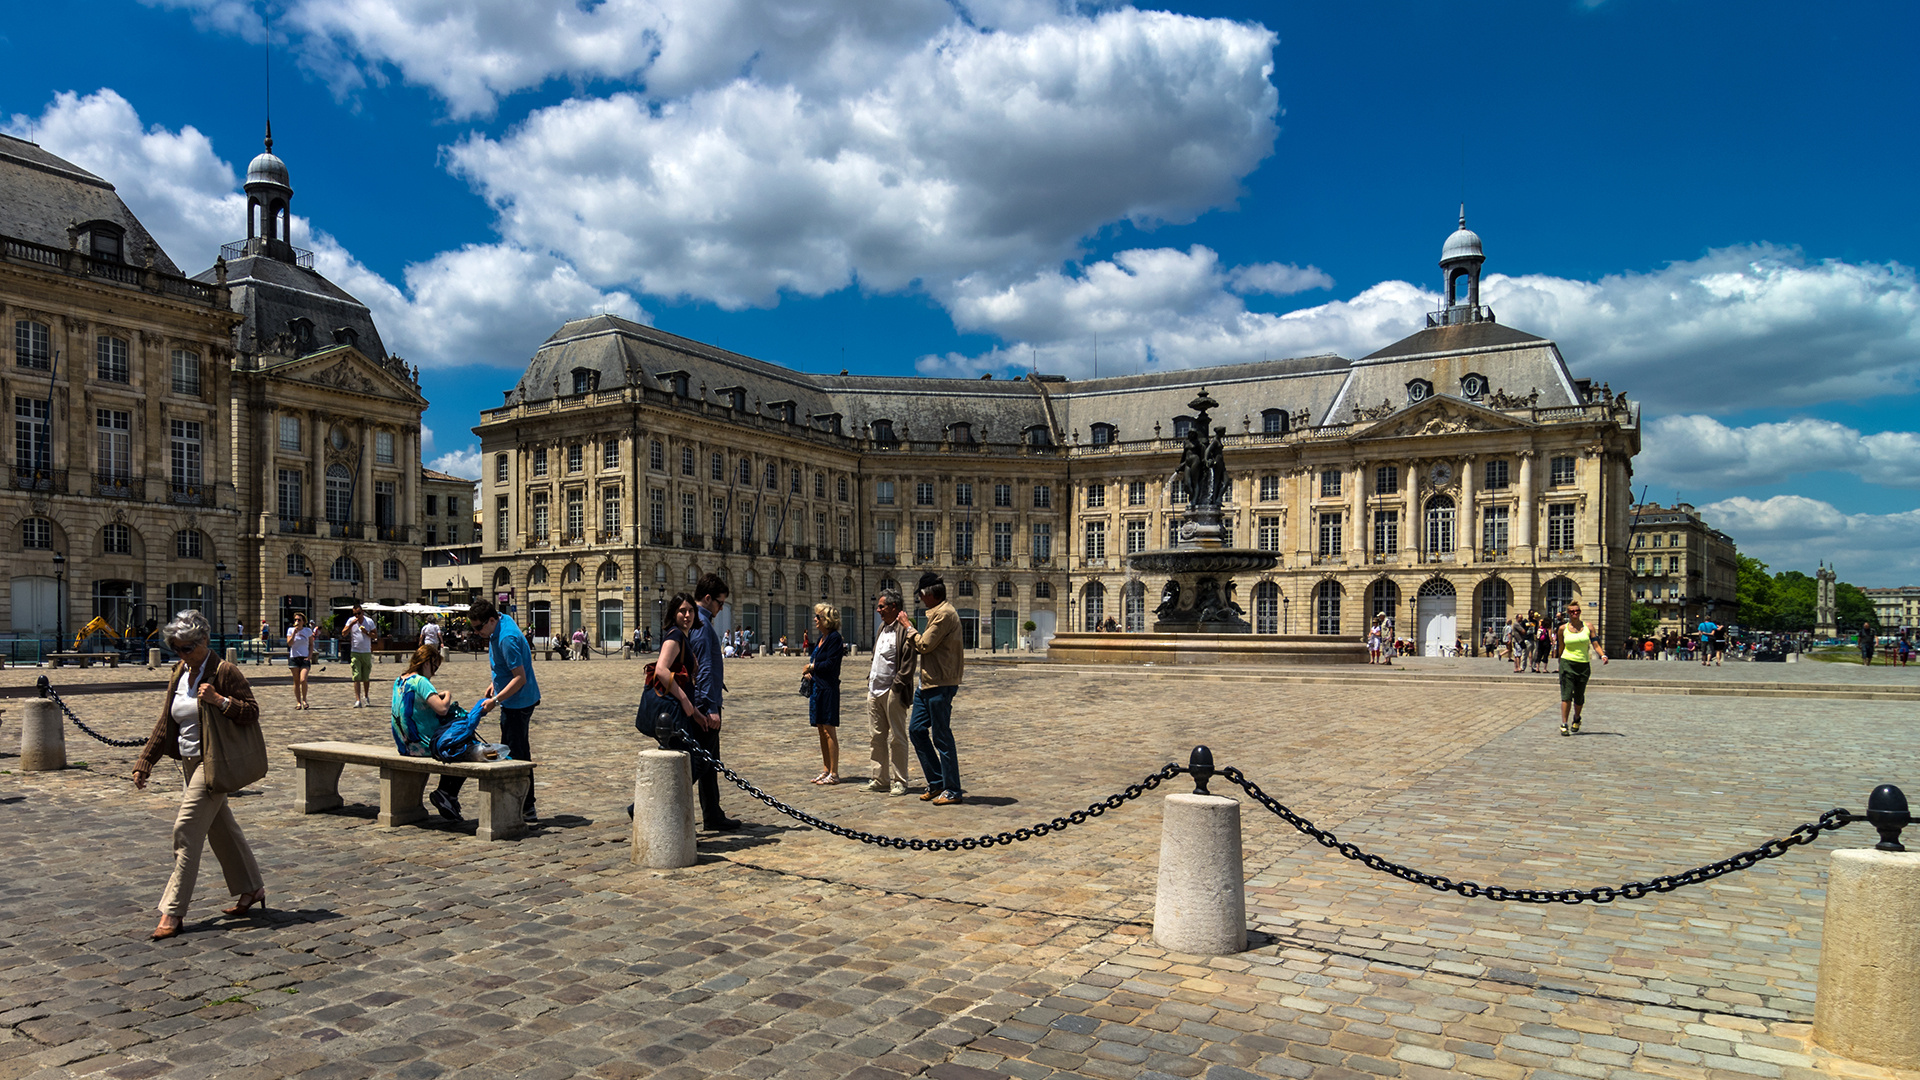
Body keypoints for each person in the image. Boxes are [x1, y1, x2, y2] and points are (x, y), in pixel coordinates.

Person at [131, 609, 267, 940]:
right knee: (222, 830)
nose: (180, 654)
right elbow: (167, 720)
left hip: (214, 762)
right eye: (175, 648)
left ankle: (172, 912)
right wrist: (145, 761)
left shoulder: (224, 671)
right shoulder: (179, 672)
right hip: (189, 763)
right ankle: (252, 888)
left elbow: (251, 711)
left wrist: (220, 701)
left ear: (203, 641)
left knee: (186, 830)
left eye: (186, 648)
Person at [430, 598, 542, 825]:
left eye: (479, 627)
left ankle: (526, 807)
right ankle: (523, 804)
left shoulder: (506, 638)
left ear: (492, 620)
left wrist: (496, 700)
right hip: (512, 699)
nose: (477, 632)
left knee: (517, 756)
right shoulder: (499, 624)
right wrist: (495, 685)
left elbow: (520, 678)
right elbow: (505, 670)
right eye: (474, 628)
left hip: (518, 703)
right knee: (514, 751)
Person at [899, 571, 965, 805]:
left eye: (921, 596)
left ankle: (953, 789)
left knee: (941, 736)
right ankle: (937, 781)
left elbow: (925, 644)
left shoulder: (945, 614)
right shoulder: (936, 612)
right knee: (916, 730)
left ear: (929, 595)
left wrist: (908, 627)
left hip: (941, 683)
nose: (920, 600)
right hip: (927, 683)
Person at [686, 575, 741, 830]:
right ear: (708, 599)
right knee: (698, 763)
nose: (721, 609)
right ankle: (645, 806)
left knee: (710, 763)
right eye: (720, 603)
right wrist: (709, 708)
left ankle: (713, 814)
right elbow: (705, 668)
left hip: (703, 701)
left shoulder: (696, 622)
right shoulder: (702, 625)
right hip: (704, 705)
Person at [866, 588, 915, 795]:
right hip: (874, 689)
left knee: (897, 737)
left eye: (881, 606)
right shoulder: (882, 628)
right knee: (876, 736)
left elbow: (908, 661)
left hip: (892, 691)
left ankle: (900, 780)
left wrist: (897, 686)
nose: (878, 610)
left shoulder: (903, 629)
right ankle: (879, 778)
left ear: (894, 607)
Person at [1552, 599, 1608, 735]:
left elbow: (1595, 644)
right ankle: (1564, 723)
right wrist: (1559, 661)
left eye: (1577, 611)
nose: (1574, 613)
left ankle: (1576, 718)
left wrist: (1602, 655)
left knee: (1579, 696)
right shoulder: (1562, 629)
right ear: (1568, 614)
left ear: (1580, 612)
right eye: (1571, 611)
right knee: (1566, 695)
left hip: (1583, 665)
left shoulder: (1589, 627)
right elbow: (1561, 646)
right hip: (1567, 663)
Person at [804, 602, 845, 784]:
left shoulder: (834, 638)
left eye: (818, 617)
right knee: (821, 729)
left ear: (826, 620)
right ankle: (826, 769)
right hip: (817, 688)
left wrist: (812, 667)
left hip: (828, 689)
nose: (815, 619)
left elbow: (831, 664)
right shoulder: (822, 638)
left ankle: (834, 773)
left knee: (829, 730)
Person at [342, 605, 376, 707]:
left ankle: (366, 696)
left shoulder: (369, 621)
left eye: (359, 613)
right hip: (355, 651)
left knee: (365, 676)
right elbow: (343, 633)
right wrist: (351, 625)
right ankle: (358, 699)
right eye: (355, 614)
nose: (357, 616)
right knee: (356, 675)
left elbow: (375, 635)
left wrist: (367, 632)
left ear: (363, 612)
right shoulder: (351, 621)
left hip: (366, 651)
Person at [286, 611, 316, 710]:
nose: (297, 621)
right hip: (294, 658)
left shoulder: (307, 631)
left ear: (303, 621)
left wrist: (310, 656)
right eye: (295, 620)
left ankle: (305, 700)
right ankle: (298, 702)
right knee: (296, 681)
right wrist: (294, 633)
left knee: (303, 679)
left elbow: (311, 644)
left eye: (299, 620)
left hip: (304, 658)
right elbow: (289, 643)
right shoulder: (290, 630)